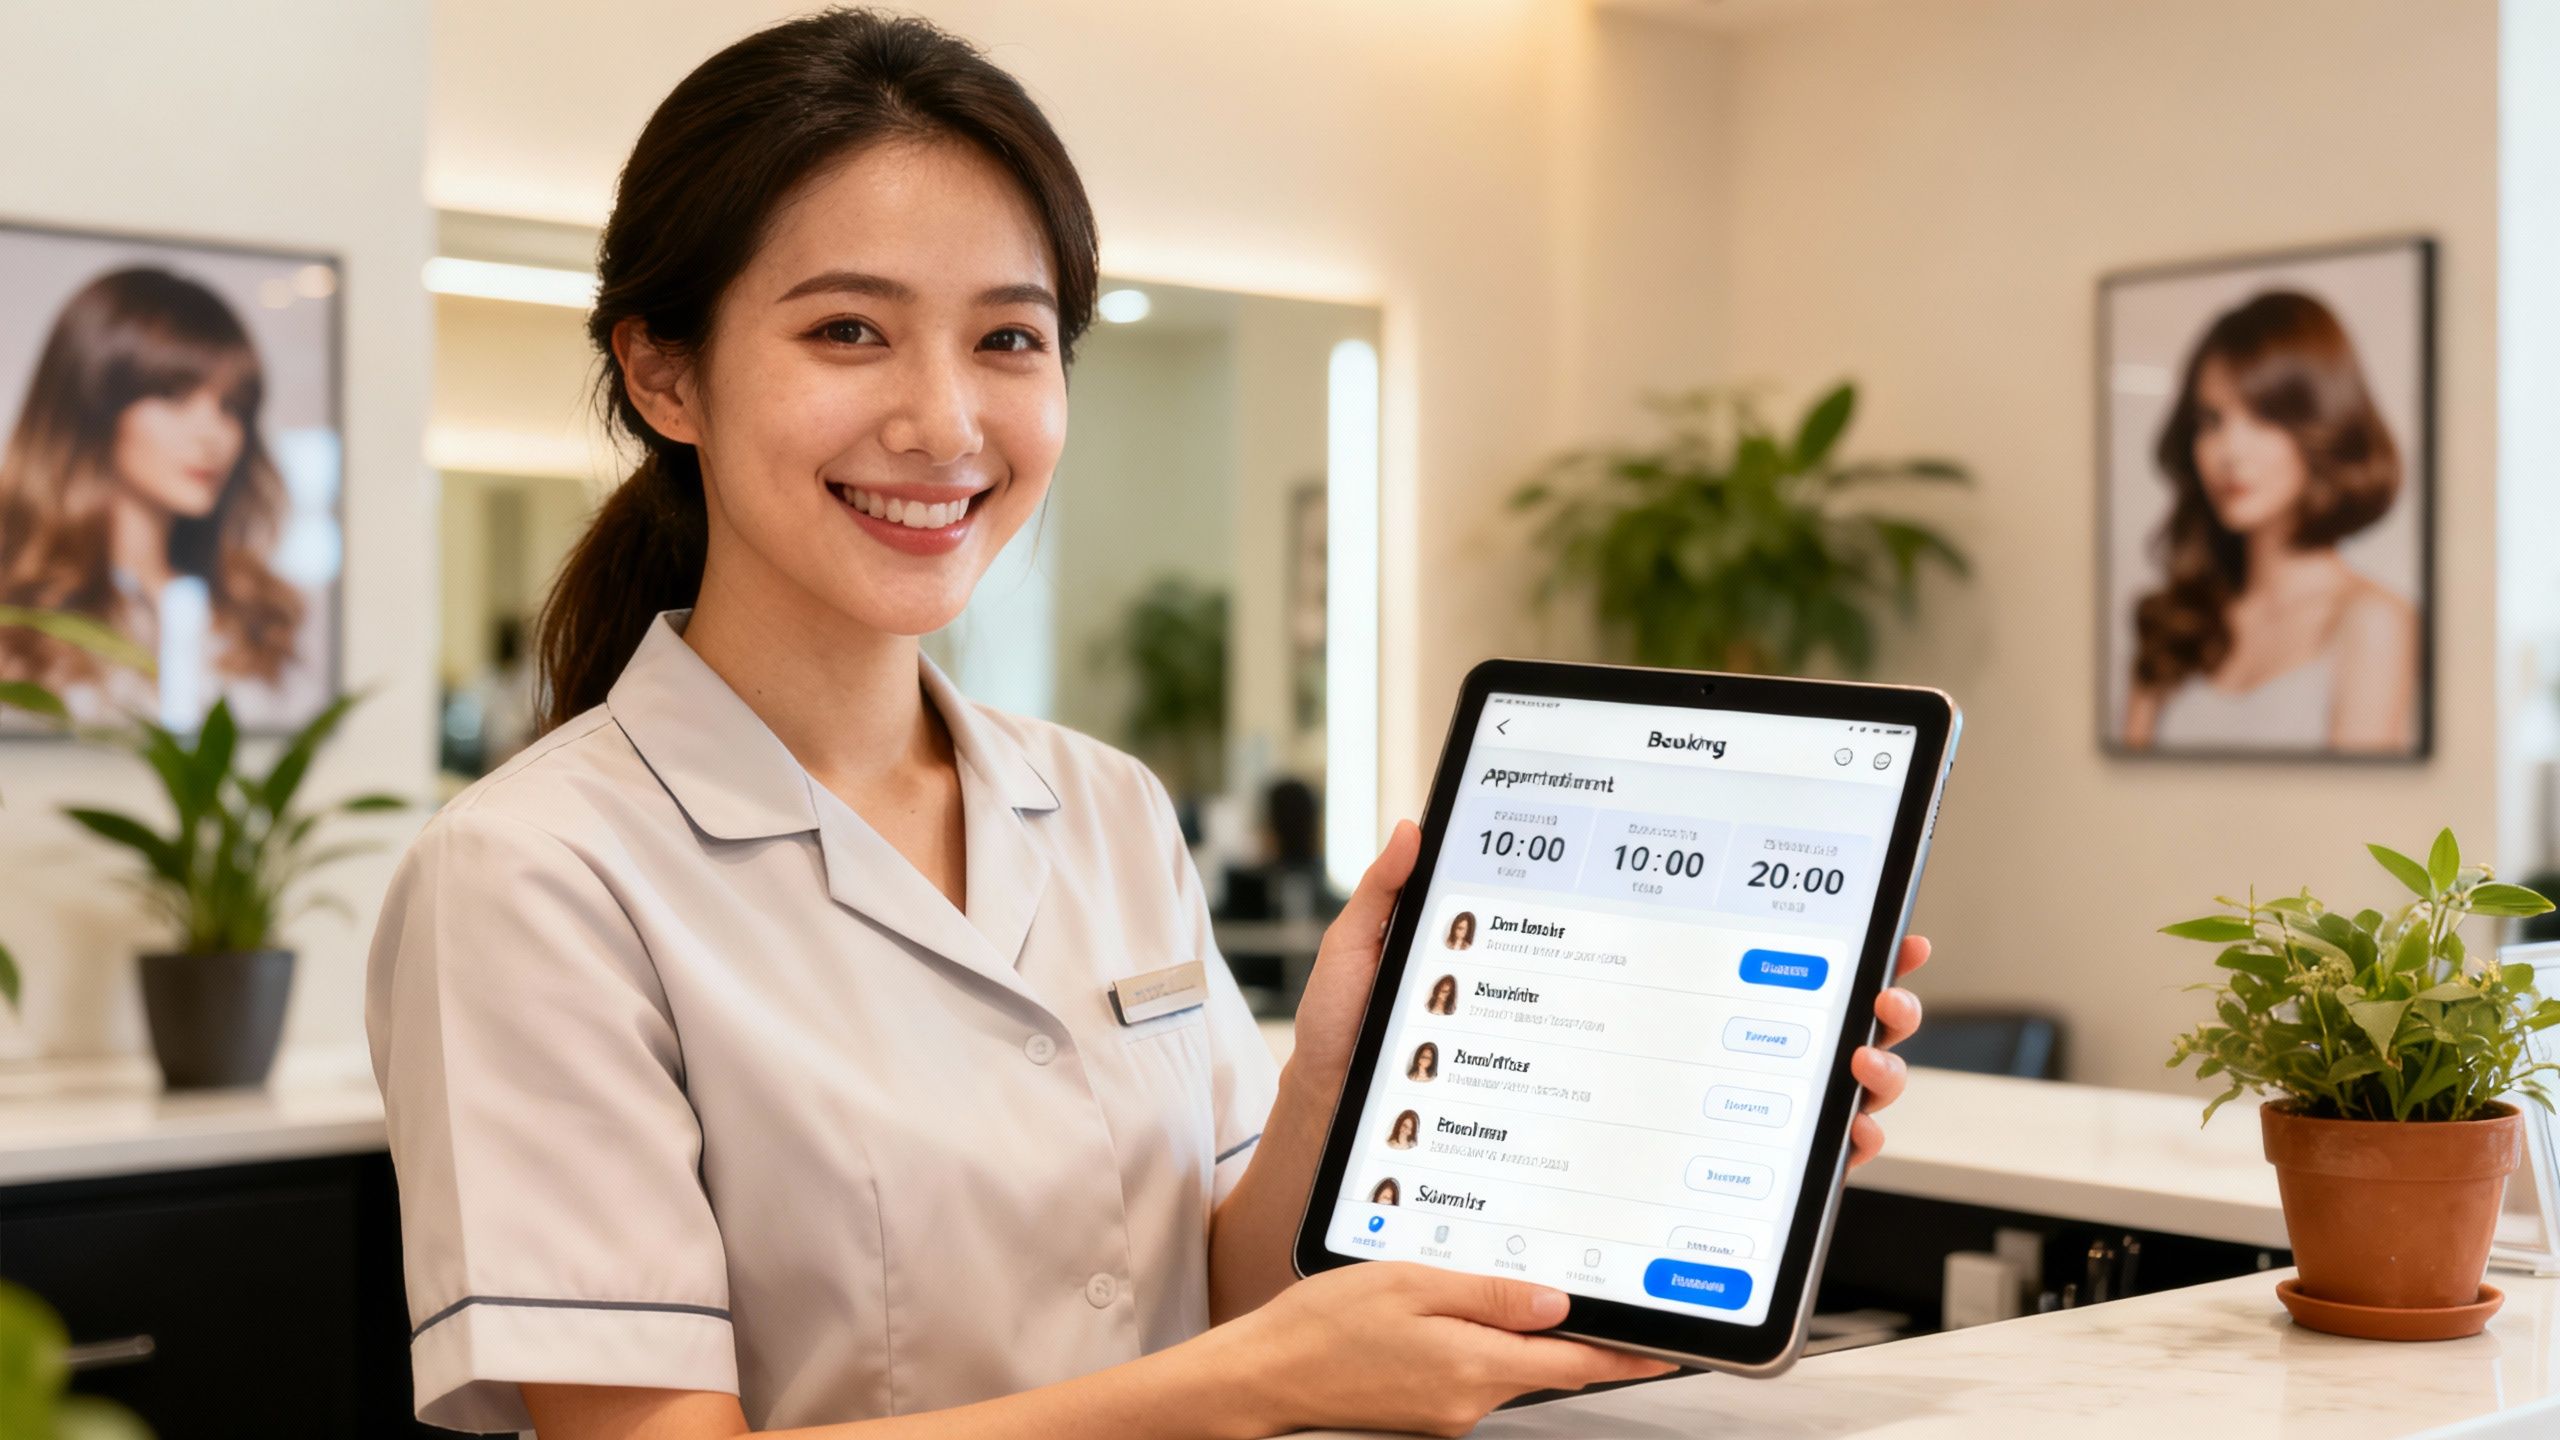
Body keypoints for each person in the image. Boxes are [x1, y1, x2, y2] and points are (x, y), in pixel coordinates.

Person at [364, 11, 1933, 1439]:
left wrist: (1336, 1070)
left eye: (1009, 336)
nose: (947, 421)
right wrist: (1262, 1383)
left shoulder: (1103, 806)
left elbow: (1218, 1295)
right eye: (849, 330)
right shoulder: (533, 878)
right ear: (664, 372)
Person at [0, 266, 318, 727]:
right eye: (173, 396)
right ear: (93, 400)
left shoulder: (247, 617)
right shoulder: (21, 614)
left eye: (231, 407)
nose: (213, 435)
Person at [2121, 290, 2417, 754]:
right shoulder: (2177, 622)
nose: (2230, 452)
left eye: (2263, 416)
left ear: (2322, 424)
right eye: (2212, 421)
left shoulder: (2372, 623)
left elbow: (2361, 817)